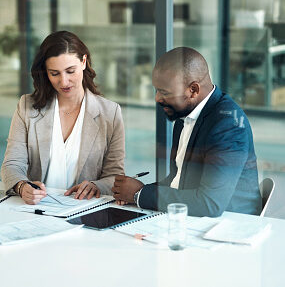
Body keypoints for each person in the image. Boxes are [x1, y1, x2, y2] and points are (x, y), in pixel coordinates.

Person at [112, 47, 262, 217]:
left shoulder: (228, 125)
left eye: (165, 92)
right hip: (195, 220)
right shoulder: (185, 117)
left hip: (230, 226)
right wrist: (136, 191)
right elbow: (178, 180)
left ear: (193, 90)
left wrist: (140, 195)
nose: (157, 98)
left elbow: (210, 204)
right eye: (156, 90)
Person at [1, 31, 125, 205]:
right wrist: (22, 186)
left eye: (70, 71)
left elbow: (115, 176)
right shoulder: (26, 107)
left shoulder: (110, 113)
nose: (64, 82)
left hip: (84, 210)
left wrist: (96, 186)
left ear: (83, 62)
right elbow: (12, 164)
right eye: (54, 73)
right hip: (34, 209)